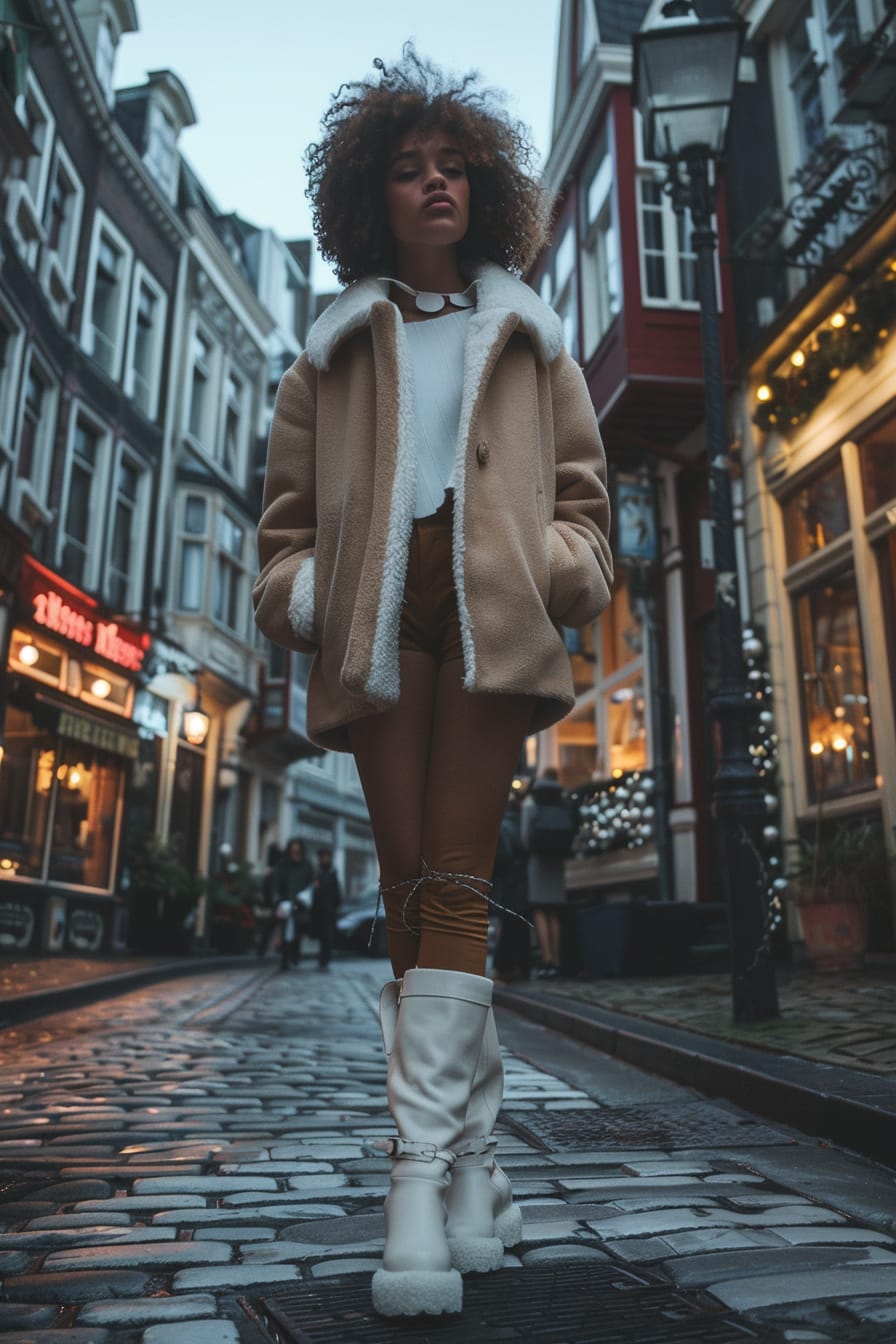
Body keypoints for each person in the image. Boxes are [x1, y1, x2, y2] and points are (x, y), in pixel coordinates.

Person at [253, 46, 612, 1317]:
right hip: (374, 630)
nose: (433, 184)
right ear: (373, 198)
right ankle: (476, 1175)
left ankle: (413, 1187)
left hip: (488, 625)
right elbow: (279, 535)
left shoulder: (533, 336)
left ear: (484, 187)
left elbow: (587, 508)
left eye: (452, 165)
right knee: (409, 896)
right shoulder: (331, 352)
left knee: (453, 881)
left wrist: (545, 569)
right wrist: (308, 594)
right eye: (407, 171)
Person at [521, 767, 572, 978]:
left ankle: (546, 959)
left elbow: (524, 838)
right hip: (557, 863)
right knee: (554, 911)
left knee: (540, 910)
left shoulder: (532, 803)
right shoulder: (562, 801)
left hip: (538, 862)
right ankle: (557, 959)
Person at [491, 791, 531, 984]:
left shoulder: (502, 826)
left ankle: (504, 968)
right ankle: (523, 967)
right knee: (520, 925)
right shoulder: (521, 823)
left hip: (508, 882)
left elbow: (501, 856)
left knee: (507, 924)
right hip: (524, 878)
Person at [274, 837, 314, 972]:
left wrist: (305, 898)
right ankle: (285, 960)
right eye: (293, 849)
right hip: (286, 903)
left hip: (301, 905)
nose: (295, 852)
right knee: (286, 933)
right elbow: (276, 883)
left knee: (297, 933)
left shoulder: (307, 865)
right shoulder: (283, 865)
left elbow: (311, 883)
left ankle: (294, 956)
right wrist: (278, 901)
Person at [312, 847, 342, 970]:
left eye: (326, 857)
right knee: (321, 936)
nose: (325, 859)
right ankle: (322, 958)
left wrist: (336, 906)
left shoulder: (332, 873)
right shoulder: (317, 874)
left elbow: (337, 893)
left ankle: (325, 959)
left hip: (329, 911)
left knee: (328, 936)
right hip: (318, 911)